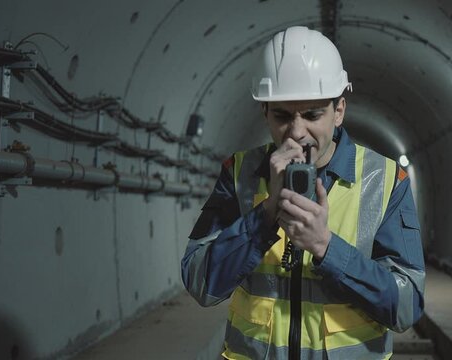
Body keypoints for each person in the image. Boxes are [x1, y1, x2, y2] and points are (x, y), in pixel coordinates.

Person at [181, 26, 425, 360]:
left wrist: (326, 248)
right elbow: (199, 283)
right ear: (264, 110)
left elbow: (407, 306)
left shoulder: (383, 180)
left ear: (338, 110)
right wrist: (265, 217)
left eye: (312, 114)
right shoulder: (239, 173)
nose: (296, 132)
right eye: (282, 114)